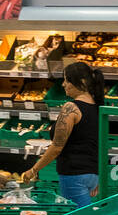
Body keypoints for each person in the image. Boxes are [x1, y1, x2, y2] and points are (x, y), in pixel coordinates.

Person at [22, 61, 104, 207]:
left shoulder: (71, 108)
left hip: (74, 175)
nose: (63, 84)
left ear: (82, 82)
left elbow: (57, 147)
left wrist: (33, 170)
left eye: (67, 80)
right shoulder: (99, 107)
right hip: (93, 174)